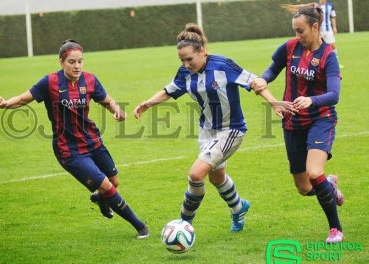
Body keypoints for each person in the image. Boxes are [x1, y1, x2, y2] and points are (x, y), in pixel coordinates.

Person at [133, 24, 294, 233]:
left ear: (202, 51)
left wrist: (273, 102)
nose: (185, 64)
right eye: (182, 60)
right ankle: (238, 207)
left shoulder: (223, 65)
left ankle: (183, 224)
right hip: (206, 131)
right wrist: (146, 104)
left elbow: (254, 81)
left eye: (189, 59)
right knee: (217, 177)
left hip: (231, 130)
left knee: (196, 174)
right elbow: (169, 90)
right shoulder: (184, 72)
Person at [0, 39, 149, 239]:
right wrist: (5, 104)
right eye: (72, 62)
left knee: (114, 182)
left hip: (93, 141)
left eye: (80, 61)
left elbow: (108, 101)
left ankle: (102, 200)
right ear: (61, 62)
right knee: (107, 186)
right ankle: (140, 226)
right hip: (69, 150)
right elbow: (24, 99)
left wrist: (117, 110)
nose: (77, 66)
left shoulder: (90, 80)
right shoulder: (49, 82)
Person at [252, 3, 345, 243]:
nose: (297, 35)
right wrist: (263, 79)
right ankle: (329, 184)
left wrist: (311, 100)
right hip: (292, 122)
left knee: (315, 173)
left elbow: (334, 95)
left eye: (301, 30)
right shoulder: (290, 47)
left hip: (320, 119)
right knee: (304, 188)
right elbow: (273, 68)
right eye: (295, 30)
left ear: (315, 27)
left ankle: (335, 229)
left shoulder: (328, 56)